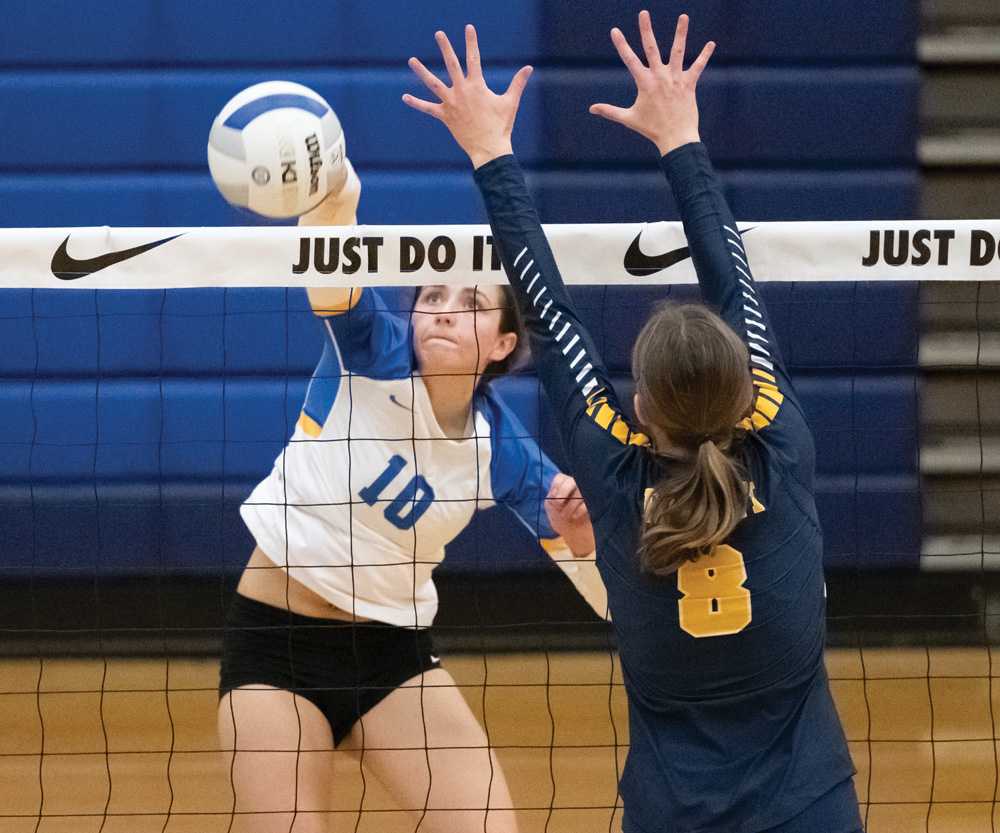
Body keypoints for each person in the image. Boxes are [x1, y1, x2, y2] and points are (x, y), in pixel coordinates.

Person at [404, 12, 863, 833]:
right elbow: (737, 280)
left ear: (642, 409)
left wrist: (489, 152)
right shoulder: (780, 440)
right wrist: (681, 137)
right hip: (810, 811)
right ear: (742, 387)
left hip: (672, 815)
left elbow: (547, 314)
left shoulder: (616, 469)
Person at [217, 159, 607, 833]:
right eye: (434, 294)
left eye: (472, 303)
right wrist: (336, 197)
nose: (445, 310)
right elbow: (332, 258)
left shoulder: (504, 453)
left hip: (393, 659)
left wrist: (585, 543)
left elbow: (611, 601)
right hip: (274, 649)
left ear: (504, 343)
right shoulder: (367, 348)